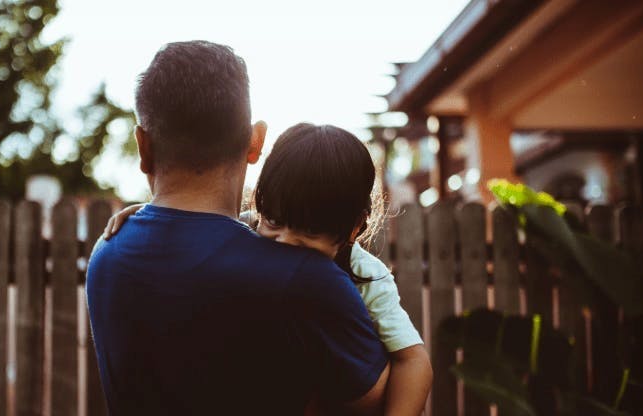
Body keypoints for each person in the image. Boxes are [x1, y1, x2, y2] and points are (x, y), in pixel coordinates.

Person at [86, 41, 390, 415]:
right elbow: (378, 402)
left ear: (143, 147)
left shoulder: (107, 254)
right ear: (256, 142)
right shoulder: (307, 278)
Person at [105, 123, 433, 415]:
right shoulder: (249, 227)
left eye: (309, 232)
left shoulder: (368, 275)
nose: (285, 240)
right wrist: (153, 211)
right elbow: (197, 222)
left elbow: (414, 360)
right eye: (274, 221)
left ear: (353, 228)